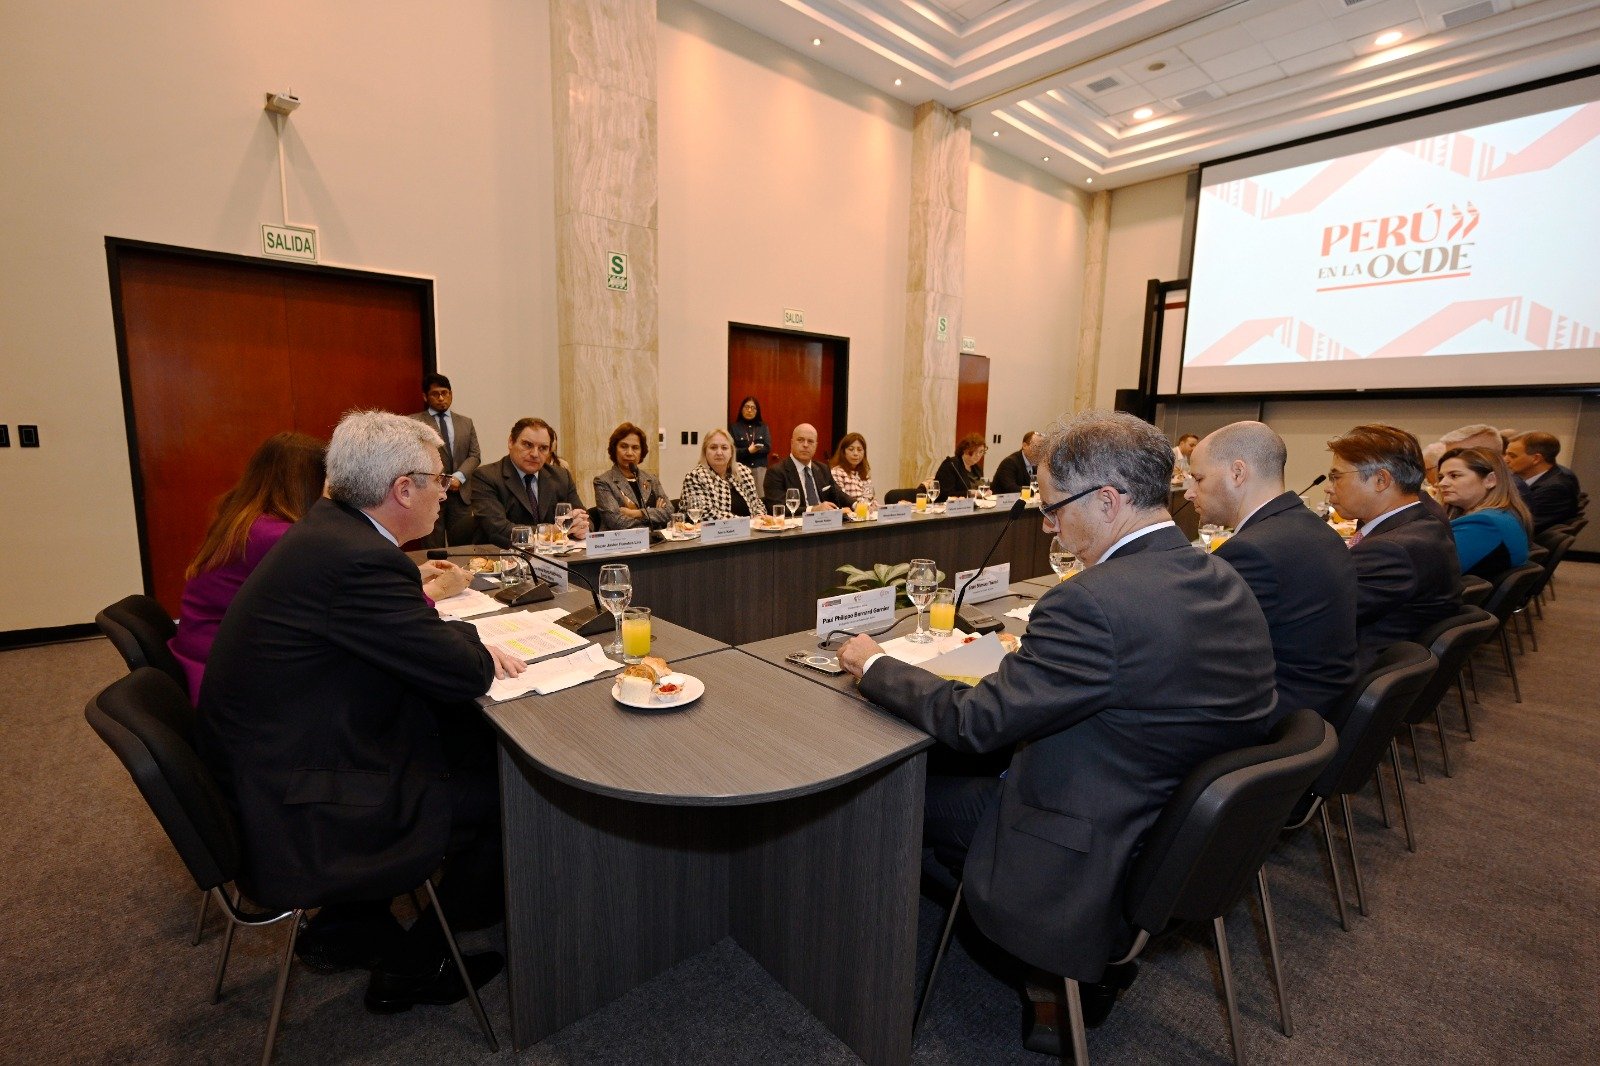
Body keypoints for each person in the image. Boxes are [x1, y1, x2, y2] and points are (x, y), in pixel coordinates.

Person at [839, 410, 1276, 1052]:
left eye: (1051, 508)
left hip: (1087, 835)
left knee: (886, 792)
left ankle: (861, 987)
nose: (1047, 524)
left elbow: (975, 722)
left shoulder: (1091, 602)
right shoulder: (1221, 576)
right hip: (1171, 824)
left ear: (1107, 500)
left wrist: (874, 663)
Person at [197, 411, 526, 1014]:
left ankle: (348, 923)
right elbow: (462, 671)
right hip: (298, 798)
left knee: (460, 740)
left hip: (272, 759)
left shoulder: (330, 532)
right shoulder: (360, 561)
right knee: (510, 793)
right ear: (404, 489)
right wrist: (474, 647)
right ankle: (412, 967)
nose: (446, 493)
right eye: (440, 481)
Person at [1186, 422, 1358, 725]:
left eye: (1198, 478)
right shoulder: (1309, 525)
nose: (1188, 492)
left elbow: (1200, 651)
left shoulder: (1253, 550)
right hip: (1322, 700)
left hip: (1283, 713)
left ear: (1237, 473)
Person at [168, 432, 327, 703]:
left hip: (207, 655)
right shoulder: (274, 536)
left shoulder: (245, 520)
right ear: (309, 483)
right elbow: (334, 591)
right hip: (228, 681)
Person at [1325, 424, 1461, 675]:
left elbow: (1323, 613)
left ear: (1381, 480)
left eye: (1336, 477)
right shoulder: (1421, 523)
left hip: (1353, 668)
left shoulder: (1391, 549)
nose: (1328, 487)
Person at [470, 417, 590, 546]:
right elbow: (499, 530)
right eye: (527, 445)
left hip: (554, 558)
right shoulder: (486, 476)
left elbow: (586, 519)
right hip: (503, 558)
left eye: (543, 448)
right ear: (511, 442)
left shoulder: (561, 476)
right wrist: (551, 531)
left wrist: (581, 528)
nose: (535, 454)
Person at [1436, 446, 1532, 578]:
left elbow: (1433, 572)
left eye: (1454, 475)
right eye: (1441, 477)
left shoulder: (1484, 523)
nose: (1442, 483)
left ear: (1490, 480)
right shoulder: (1501, 515)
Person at [409, 373, 481, 546]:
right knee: (432, 545)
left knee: (463, 544)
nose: (441, 398)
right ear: (425, 396)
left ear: (451, 394)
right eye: (435, 394)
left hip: (460, 494)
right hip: (431, 490)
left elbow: (475, 455)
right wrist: (443, 479)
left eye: (445, 393)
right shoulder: (414, 422)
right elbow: (414, 456)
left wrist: (458, 477)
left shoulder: (466, 422)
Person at [593, 422, 672, 530]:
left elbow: (669, 512)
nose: (629, 453)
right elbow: (616, 522)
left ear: (641, 452)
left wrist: (637, 513)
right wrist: (655, 517)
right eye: (624, 446)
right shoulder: (603, 481)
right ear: (614, 449)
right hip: (620, 544)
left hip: (655, 543)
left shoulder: (651, 479)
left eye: (635, 448)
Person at [680, 427, 767, 519]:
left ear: (731, 452)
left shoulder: (743, 472)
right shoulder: (695, 477)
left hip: (750, 530)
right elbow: (705, 514)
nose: (719, 452)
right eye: (713, 448)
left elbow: (757, 504)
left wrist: (760, 518)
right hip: (712, 532)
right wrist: (744, 523)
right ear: (705, 451)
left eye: (724, 448)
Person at [1504, 431, 1581, 533]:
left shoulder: (1555, 489)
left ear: (1536, 458)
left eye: (1512, 456)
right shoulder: (1547, 477)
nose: (1505, 460)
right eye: (1506, 454)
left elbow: (1522, 526)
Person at [765, 423, 853, 511]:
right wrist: (812, 509)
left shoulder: (823, 469)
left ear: (816, 446)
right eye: (800, 440)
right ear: (791, 443)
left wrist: (856, 504)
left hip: (825, 522)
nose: (805, 445)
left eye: (810, 441)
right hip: (797, 522)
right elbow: (777, 508)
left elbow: (838, 494)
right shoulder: (776, 472)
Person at [730, 396, 772, 498]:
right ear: (741, 409)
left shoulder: (763, 427)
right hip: (741, 469)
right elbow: (732, 451)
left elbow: (767, 447)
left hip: (759, 469)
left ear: (757, 411)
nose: (749, 410)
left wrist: (754, 450)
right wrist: (748, 451)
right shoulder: (734, 428)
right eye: (746, 407)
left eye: (753, 408)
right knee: (742, 498)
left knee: (760, 498)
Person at [932, 433, 987, 497]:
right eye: (975, 451)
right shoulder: (951, 465)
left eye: (981, 452)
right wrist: (971, 493)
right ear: (965, 450)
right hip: (951, 505)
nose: (978, 455)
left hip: (974, 505)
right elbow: (945, 494)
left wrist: (986, 492)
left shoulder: (977, 468)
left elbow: (981, 489)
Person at [828, 432, 874, 503]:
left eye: (859, 450)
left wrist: (873, 505)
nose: (855, 453)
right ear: (843, 452)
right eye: (851, 449)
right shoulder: (837, 472)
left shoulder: (865, 474)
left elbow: (870, 498)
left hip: (865, 512)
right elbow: (841, 499)